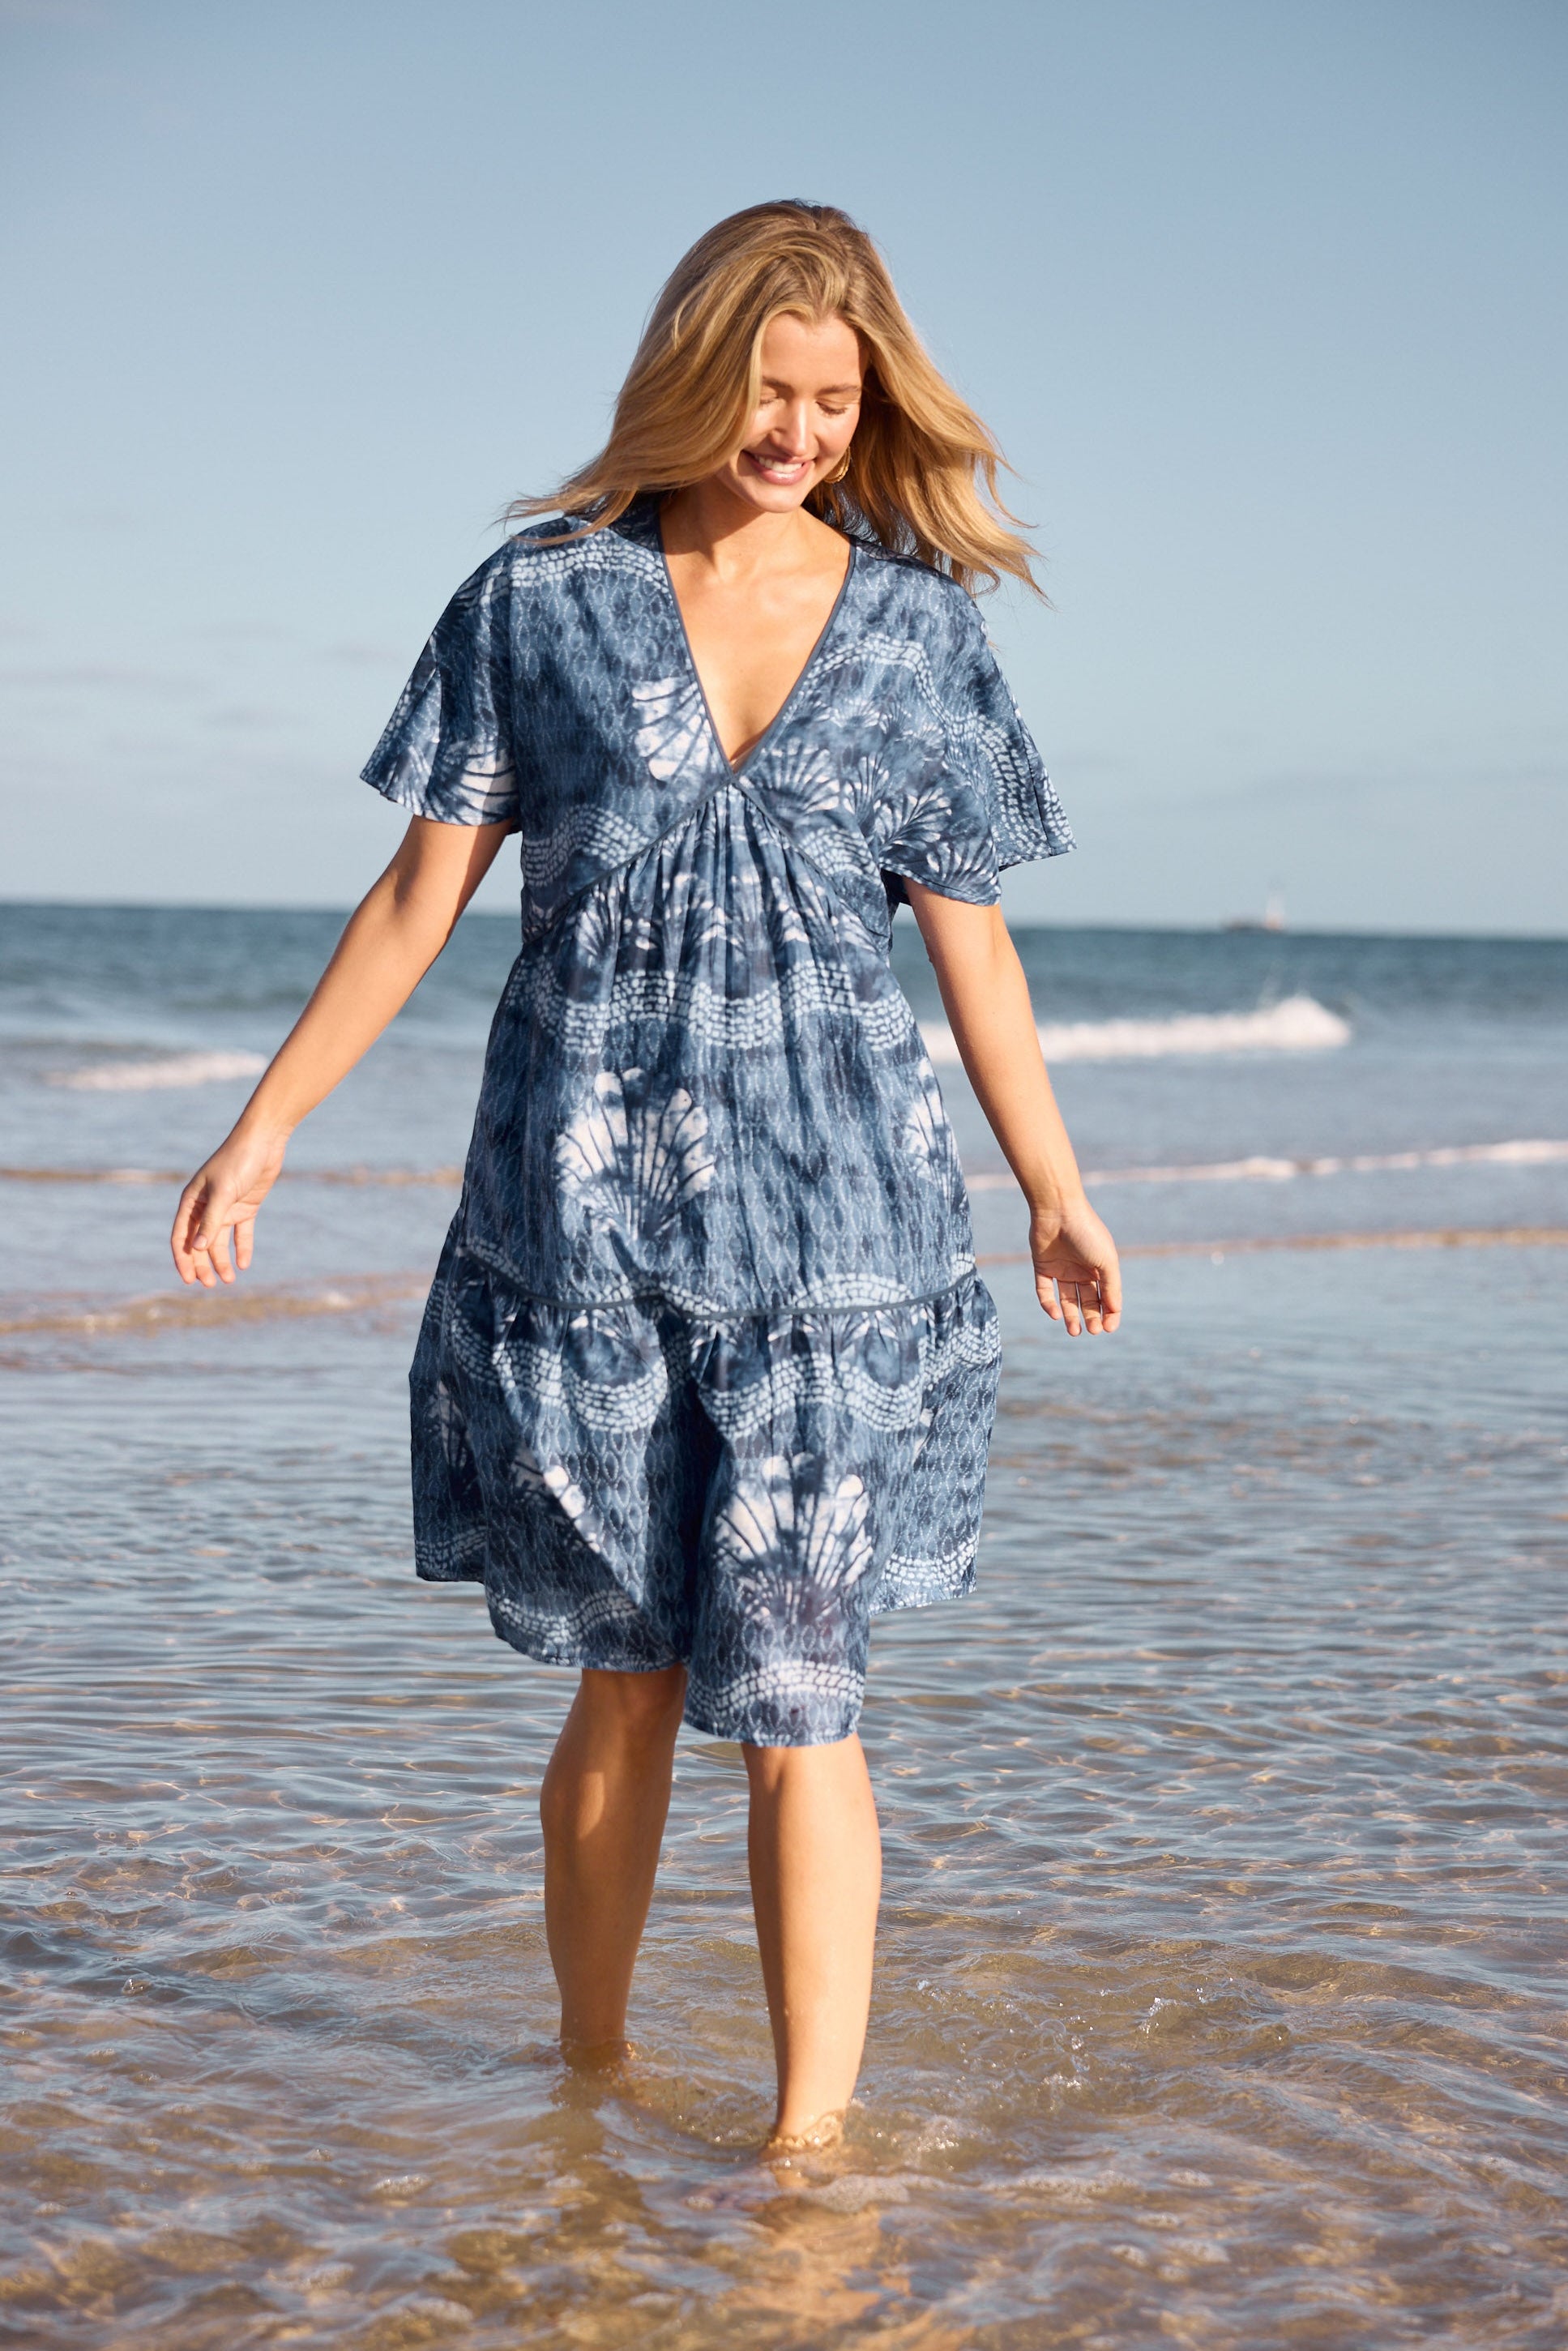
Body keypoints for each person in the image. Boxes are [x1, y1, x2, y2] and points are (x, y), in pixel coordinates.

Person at [171, 199, 1121, 2155]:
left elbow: (976, 942)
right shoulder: (539, 600)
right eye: (765, 391)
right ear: (693, 373)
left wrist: (1050, 1179)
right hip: (581, 1229)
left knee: (800, 1693)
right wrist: (265, 1119)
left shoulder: (920, 626)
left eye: (831, 403)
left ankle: (804, 2152)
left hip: (839, 1239)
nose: (793, 433)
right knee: (620, 1675)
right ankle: (584, 2087)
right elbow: (420, 892)